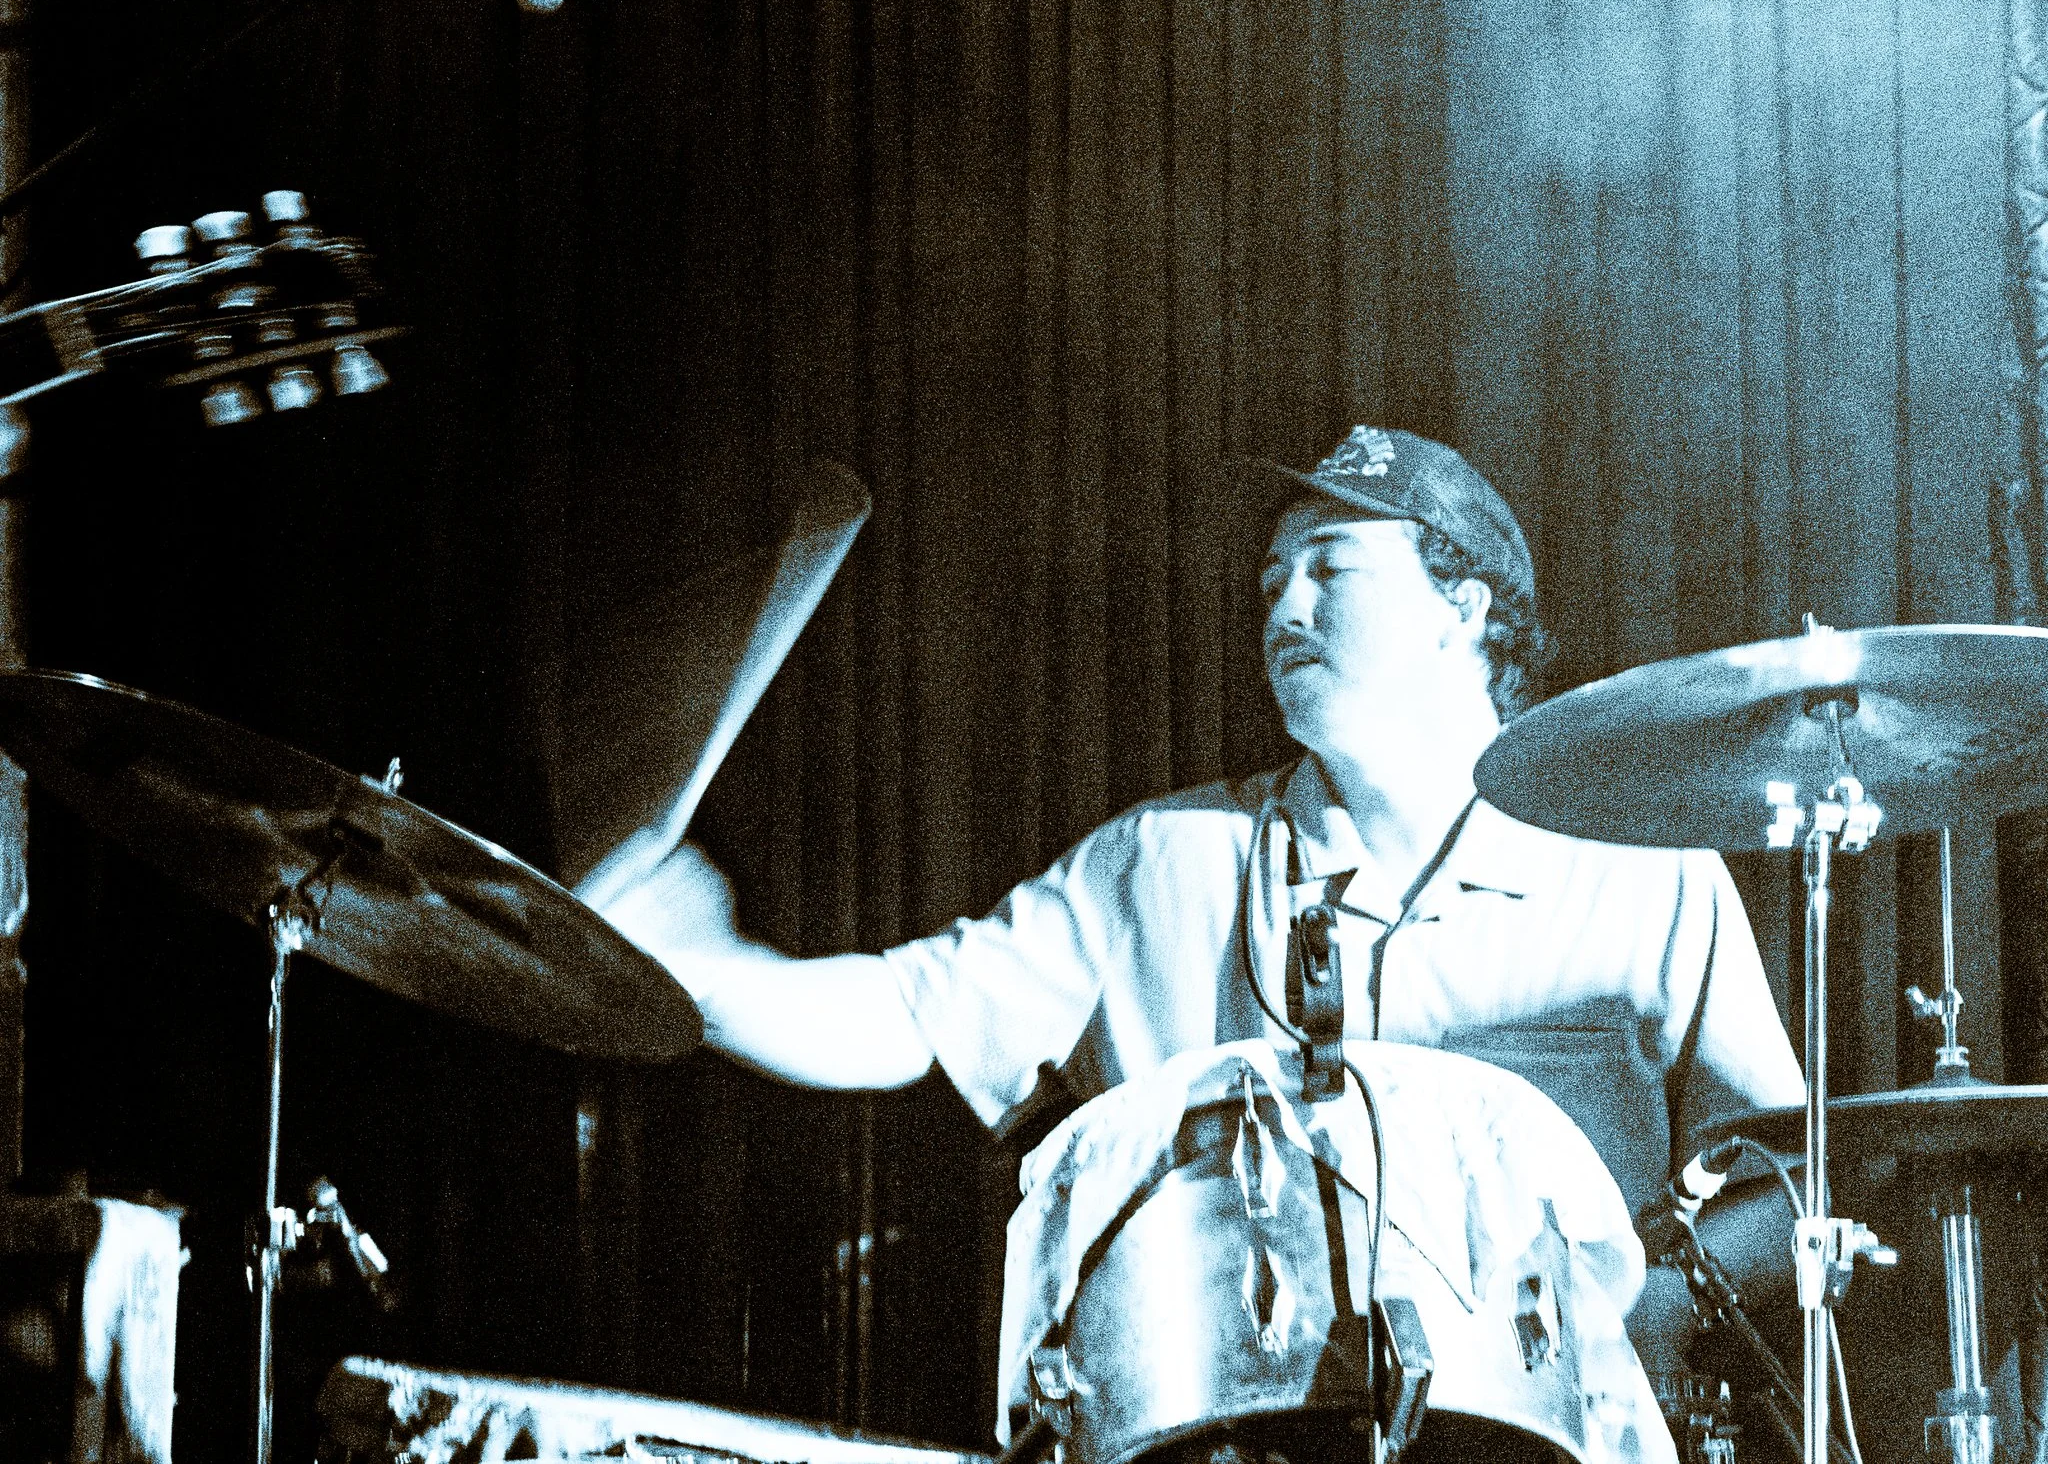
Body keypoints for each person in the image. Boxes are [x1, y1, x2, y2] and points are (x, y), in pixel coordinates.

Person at [592, 425, 1806, 1390]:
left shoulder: (1642, 866)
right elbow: (909, 1010)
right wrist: (699, 972)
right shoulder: (1158, 864)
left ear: (1464, 609)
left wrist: (1640, 1309)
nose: (1282, 609)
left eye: (1332, 570)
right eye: (1272, 580)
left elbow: (1778, 1189)